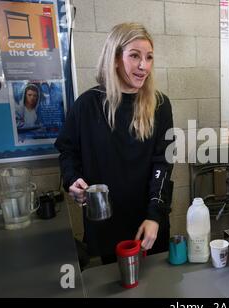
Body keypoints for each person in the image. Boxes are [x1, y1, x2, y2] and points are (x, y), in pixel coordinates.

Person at [55, 23, 174, 264]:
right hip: (105, 221)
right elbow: (67, 151)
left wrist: (155, 214)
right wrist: (72, 180)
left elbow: (164, 162)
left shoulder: (159, 105)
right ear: (115, 58)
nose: (144, 66)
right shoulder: (88, 105)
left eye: (149, 57)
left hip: (148, 221)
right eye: (134, 56)